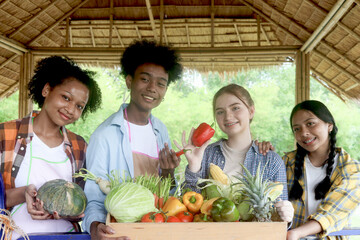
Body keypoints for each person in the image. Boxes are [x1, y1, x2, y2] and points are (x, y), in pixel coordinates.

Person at [82, 39, 183, 240]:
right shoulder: (105, 134)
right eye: (145, 79)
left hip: (157, 229)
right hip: (123, 233)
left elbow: (167, 192)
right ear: (129, 81)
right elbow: (93, 198)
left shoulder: (160, 130)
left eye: (161, 83)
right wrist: (95, 228)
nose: (153, 88)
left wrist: (170, 171)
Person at [0, 56, 102, 238]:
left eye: (79, 106)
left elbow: (82, 202)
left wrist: (71, 212)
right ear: (47, 90)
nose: (71, 109)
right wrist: (23, 193)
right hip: (16, 236)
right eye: (66, 98)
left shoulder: (79, 145)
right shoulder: (5, 135)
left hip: (66, 235)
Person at [181, 83, 294, 222]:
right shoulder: (206, 154)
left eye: (235, 108)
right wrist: (193, 166)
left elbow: (278, 219)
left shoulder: (271, 161)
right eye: (220, 111)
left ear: (251, 111)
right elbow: (189, 209)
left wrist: (286, 216)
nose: (228, 116)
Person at [284, 100, 360, 240]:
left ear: (329, 125)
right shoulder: (287, 163)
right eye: (297, 129)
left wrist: (296, 233)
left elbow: (332, 214)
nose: (304, 133)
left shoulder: (352, 170)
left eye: (310, 124)